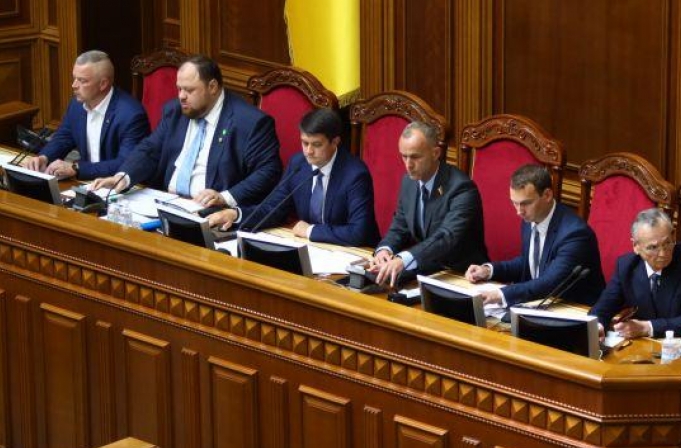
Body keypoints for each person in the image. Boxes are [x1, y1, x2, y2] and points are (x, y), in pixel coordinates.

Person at [91, 55, 281, 208]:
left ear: (212, 87)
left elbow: (268, 171)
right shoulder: (175, 111)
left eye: (189, 90)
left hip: (212, 211)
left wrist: (225, 197)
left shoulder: (249, 122)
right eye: (179, 89)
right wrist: (123, 177)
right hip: (165, 202)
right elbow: (150, 149)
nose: (181, 96)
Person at [207, 108, 380, 247]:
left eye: (316, 145)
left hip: (353, 253)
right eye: (305, 143)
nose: (308, 151)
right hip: (312, 248)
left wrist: (310, 231)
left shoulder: (355, 175)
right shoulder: (298, 164)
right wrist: (236, 214)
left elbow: (359, 232)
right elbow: (273, 208)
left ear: (335, 142)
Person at [465, 163, 605, 307]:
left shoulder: (575, 235)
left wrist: (501, 294)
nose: (519, 211)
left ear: (547, 195)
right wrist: (488, 271)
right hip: (541, 304)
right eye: (515, 203)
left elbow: (549, 282)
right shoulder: (531, 219)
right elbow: (528, 263)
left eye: (526, 203)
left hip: (574, 309)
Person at [371, 121, 488, 286]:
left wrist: (404, 259)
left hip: (461, 276)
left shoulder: (461, 188)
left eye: (415, 157)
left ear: (435, 153)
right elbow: (400, 226)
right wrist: (385, 249)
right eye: (404, 156)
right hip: (425, 270)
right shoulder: (409, 182)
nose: (408, 165)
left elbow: (446, 236)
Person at [589, 208, 681, 339]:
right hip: (649, 343)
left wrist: (647, 328)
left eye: (667, 243)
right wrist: (598, 325)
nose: (663, 254)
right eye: (653, 247)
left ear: (673, 235)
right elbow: (604, 306)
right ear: (636, 246)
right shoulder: (626, 266)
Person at [23, 50, 150, 180]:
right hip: (86, 181)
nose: (74, 85)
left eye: (82, 81)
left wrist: (77, 168)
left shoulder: (131, 115)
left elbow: (126, 163)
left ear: (103, 84)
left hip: (116, 184)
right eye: (74, 78)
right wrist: (44, 157)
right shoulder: (77, 105)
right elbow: (64, 137)